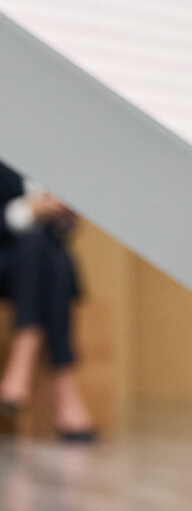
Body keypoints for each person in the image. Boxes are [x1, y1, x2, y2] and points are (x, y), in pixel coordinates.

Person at [0, 162, 96, 441]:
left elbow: (62, 235)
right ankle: (65, 388)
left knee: (51, 253)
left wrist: (64, 215)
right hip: (6, 262)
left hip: (41, 267)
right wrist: (28, 212)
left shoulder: (54, 163)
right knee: (45, 251)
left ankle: (24, 354)